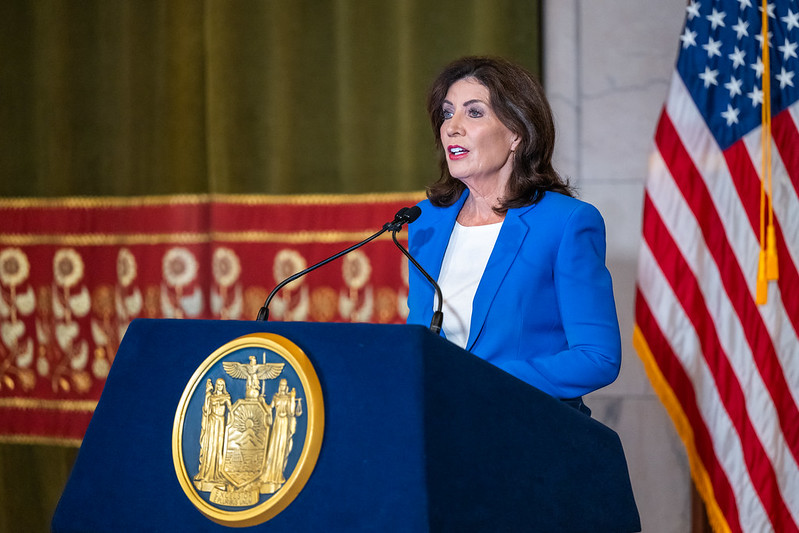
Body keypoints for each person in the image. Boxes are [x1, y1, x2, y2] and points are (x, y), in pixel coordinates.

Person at [406, 56, 621, 414]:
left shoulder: (564, 222)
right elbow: (421, 338)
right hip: (441, 424)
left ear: (516, 133)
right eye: (447, 113)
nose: (452, 128)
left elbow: (598, 357)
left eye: (474, 113)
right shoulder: (426, 220)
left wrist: (482, 380)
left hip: (524, 424)